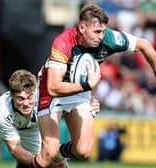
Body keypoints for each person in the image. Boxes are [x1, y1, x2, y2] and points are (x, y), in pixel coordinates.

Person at [34, 4, 156, 167]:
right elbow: (53, 87)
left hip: (80, 90)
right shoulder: (63, 42)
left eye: (103, 31)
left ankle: (57, 154)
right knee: (48, 151)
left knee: (83, 151)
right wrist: (87, 86)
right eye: (97, 32)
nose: (101, 36)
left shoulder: (108, 38)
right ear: (82, 27)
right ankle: (48, 154)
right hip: (51, 91)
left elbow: (144, 45)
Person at [0, 69, 68, 168]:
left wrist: (59, 158)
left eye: (30, 97)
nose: (26, 104)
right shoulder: (1, 110)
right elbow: (14, 148)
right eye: (20, 98)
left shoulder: (45, 100)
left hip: (31, 128)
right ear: (12, 95)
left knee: (47, 160)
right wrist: (40, 164)